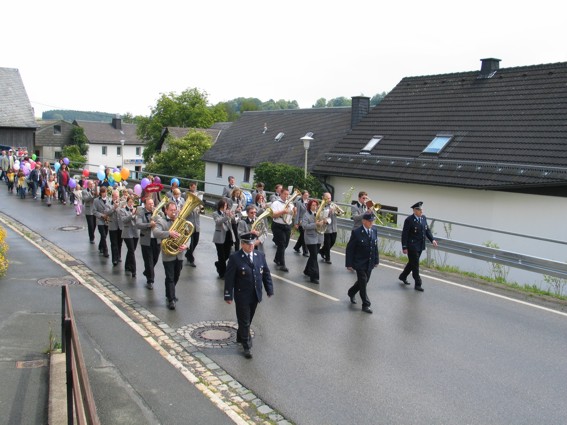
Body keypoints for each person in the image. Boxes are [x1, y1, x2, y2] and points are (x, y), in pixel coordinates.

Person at [224, 232, 273, 359]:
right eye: (248, 244)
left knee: (248, 319)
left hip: (255, 294)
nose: (251, 246)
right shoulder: (235, 258)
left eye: (253, 243)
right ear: (242, 244)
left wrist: (269, 289)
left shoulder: (259, 255)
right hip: (242, 295)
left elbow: (265, 273)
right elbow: (229, 279)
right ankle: (246, 345)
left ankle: (241, 335)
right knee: (245, 321)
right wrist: (228, 295)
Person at [154, 201, 187, 310]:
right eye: (171, 210)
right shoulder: (161, 221)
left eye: (175, 210)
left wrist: (186, 245)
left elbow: (188, 234)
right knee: (170, 277)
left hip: (179, 254)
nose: (174, 212)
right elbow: (155, 232)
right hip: (168, 254)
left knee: (176, 276)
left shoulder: (181, 221)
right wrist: (169, 233)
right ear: (166, 210)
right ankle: (171, 299)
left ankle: (169, 293)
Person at [399, 201, 438, 292]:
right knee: (415, 265)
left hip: (420, 245)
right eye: (419, 210)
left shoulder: (423, 218)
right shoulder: (409, 220)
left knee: (412, 263)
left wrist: (432, 240)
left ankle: (403, 276)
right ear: (414, 210)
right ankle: (418, 283)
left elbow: (427, 230)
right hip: (412, 246)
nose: (421, 211)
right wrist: (404, 247)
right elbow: (404, 234)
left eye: (422, 209)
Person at [345, 212, 379, 313]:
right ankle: (366, 304)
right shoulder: (356, 232)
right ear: (364, 221)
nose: (371, 223)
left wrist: (376, 260)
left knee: (364, 281)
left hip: (370, 261)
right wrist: (349, 264)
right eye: (369, 221)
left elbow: (375, 247)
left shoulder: (374, 230)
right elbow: (350, 249)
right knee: (363, 282)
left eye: (372, 221)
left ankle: (351, 292)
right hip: (359, 262)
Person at [135, 197, 160, 290]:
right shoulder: (141, 212)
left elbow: (163, 221)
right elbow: (138, 224)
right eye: (149, 204)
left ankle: (147, 271)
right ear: (145, 204)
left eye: (152, 204)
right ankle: (150, 280)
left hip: (156, 239)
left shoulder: (157, 212)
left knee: (155, 259)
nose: (151, 205)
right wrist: (149, 225)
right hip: (146, 240)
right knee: (148, 260)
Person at [270, 188, 294, 272]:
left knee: (285, 244)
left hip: (287, 225)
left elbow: (292, 216)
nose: (286, 196)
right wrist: (283, 212)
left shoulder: (290, 204)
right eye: (285, 194)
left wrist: (294, 211)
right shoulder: (276, 203)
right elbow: (273, 215)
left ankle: (277, 258)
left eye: (288, 194)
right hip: (278, 225)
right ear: (280, 194)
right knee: (282, 244)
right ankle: (282, 264)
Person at [302, 199, 325, 284]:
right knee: (314, 257)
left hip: (319, 237)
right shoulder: (306, 215)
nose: (315, 207)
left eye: (316, 205)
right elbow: (304, 226)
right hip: (310, 238)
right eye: (313, 205)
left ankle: (307, 271)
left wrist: (325, 222)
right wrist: (316, 225)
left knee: (313, 255)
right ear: (309, 206)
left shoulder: (320, 214)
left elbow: (324, 222)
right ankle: (314, 277)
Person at [212, 199, 234, 279]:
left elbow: (233, 221)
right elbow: (218, 222)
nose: (226, 207)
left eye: (226, 206)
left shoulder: (227, 213)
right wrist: (227, 216)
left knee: (228, 254)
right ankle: (222, 273)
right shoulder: (215, 213)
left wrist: (233, 215)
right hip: (219, 236)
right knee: (221, 255)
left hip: (228, 235)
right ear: (221, 206)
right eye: (225, 206)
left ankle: (219, 264)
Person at [121, 195, 139, 277]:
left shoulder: (136, 210)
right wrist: (131, 215)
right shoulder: (123, 210)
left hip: (135, 232)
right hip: (127, 232)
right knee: (131, 250)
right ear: (127, 202)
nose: (131, 204)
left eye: (132, 202)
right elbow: (124, 220)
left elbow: (138, 220)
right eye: (130, 202)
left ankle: (127, 265)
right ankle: (133, 269)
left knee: (132, 250)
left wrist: (136, 215)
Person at [184, 182, 202, 267]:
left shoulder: (198, 195)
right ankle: (191, 259)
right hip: (189, 221)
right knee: (191, 241)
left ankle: (188, 254)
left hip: (196, 222)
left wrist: (201, 208)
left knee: (196, 240)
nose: (194, 188)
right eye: (193, 187)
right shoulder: (186, 195)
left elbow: (202, 209)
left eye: (195, 187)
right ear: (190, 187)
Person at [319, 192, 338, 264]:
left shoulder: (333, 205)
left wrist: (336, 211)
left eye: (330, 198)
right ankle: (328, 258)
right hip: (327, 228)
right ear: (324, 198)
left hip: (334, 227)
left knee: (332, 242)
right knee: (327, 243)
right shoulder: (322, 206)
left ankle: (321, 251)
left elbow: (338, 213)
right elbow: (322, 216)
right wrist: (329, 212)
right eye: (328, 198)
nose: (330, 199)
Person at [93, 186, 111, 258]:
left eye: (105, 192)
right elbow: (94, 211)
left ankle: (100, 246)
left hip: (107, 221)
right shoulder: (96, 200)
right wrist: (101, 215)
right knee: (103, 235)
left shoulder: (108, 199)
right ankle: (105, 250)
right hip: (100, 220)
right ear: (100, 193)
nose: (104, 194)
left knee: (105, 235)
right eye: (103, 192)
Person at [107, 190, 124, 266]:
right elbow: (107, 213)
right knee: (114, 243)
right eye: (115, 196)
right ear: (112, 197)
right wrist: (114, 207)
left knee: (119, 242)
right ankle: (114, 259)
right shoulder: (108, 204)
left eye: (118, 196)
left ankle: (119, 255)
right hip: (112, 226)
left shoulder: (122, 204)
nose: (117, 198)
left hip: (120, 226)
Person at [293, 190, 309, 256]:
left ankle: (296, 247)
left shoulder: (309, 202)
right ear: (302, 195)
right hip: (300, 222)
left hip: (307, 221)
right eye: (305, 195)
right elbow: (297, 213)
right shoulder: (298, 202)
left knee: (302, 236)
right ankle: (305, 251)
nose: (306, 196)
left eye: (307, 195)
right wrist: (296, 223)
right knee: (304, 236)